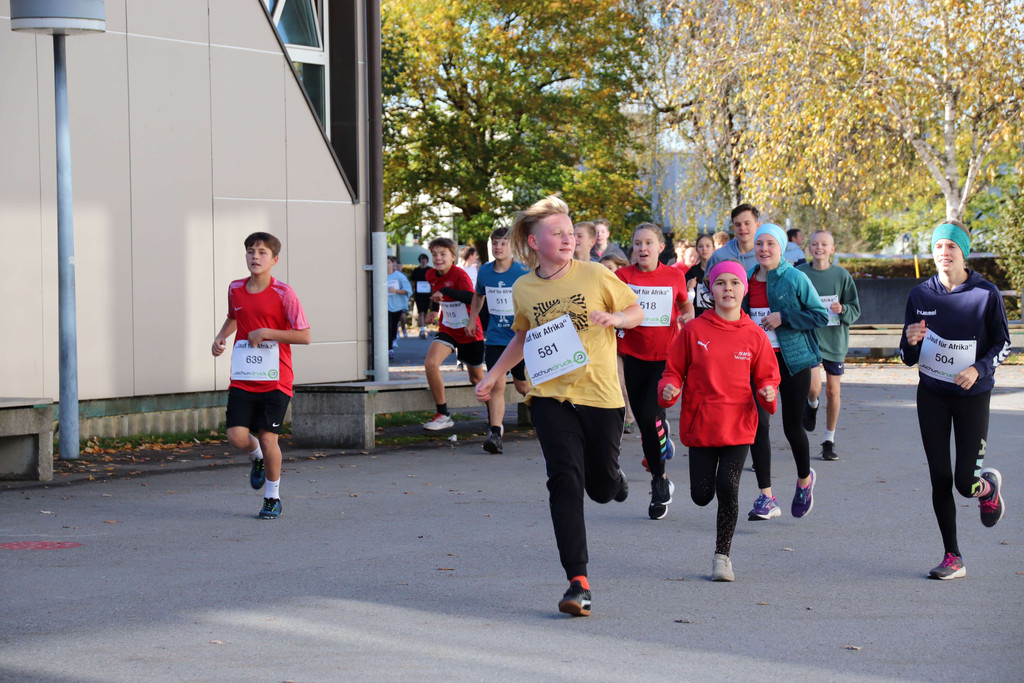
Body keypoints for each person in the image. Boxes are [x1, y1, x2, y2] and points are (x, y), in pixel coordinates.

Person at [474, 196, 642, 617]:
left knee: (600, 489)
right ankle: (578, 583)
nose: (569, 239)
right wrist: (494, 375)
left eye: (571, 233)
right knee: (564, 480)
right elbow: (522, 337)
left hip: (600, 395)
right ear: (534, 242)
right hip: (550, 396)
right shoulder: (524, 287)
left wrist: (618, 320)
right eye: (558, 233)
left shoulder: (595, 274)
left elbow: (635, 310)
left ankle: (614, 479)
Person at [900, 220, 1008, 580]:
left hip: (971, 396)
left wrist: (978, 369)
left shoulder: (985, 294)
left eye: (951, 246)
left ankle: (986, 488)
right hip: (931, 395)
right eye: (938, 247)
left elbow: (1003, 344)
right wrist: (910, 341)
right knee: (940, 477)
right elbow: (907, 357)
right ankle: (953, 556)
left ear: (964, 253)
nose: (943, 253)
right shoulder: (920, 296)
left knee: (965, 482)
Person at [659, 260, 779, 581]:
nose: (728, 288)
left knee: (728, 486)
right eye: (721, 283)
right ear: (710, 289)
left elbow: (768, 376)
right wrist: (670, 388)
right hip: (702, 424)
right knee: (701, 495)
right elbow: (673, 371)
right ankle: (706, 502)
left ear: (744, 289)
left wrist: (767, 391)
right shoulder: (694, 330)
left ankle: (722, 557)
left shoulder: (755, 334)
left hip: (739, 424)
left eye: (735, 283)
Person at [211, 232, 311, 520]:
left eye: (262, 252)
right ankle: (257, 457)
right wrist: (220, 337)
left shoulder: (284, 293)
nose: (255, 257)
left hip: (276, 378)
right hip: (244, 375)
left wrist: (267, 333)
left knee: (269, 439)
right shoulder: (235, 288)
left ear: (274, 259)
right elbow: (234, 316)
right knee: (236, 436)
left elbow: (304, 335)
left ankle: (272, 497)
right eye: (250, 251)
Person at [743, 223, 829, 521]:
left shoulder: (795, 277)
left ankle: (804, 480)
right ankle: (766, 496)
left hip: (793, 360)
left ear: (781, 248)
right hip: (758, 363)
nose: (764, 249)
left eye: (771, 244)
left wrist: (784, 317)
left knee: (793, 426)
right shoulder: (747, 279)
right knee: (758, 425)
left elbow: (820, 315)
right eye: (759, 244)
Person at [615, 223, 694, 519]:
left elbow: (686, 306)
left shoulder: (674, 275)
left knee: (650, 416)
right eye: (637, 243)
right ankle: (660, 462)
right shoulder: (623, 276)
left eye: (648, 243)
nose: (642, 248)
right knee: (645, 423)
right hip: (634, 357)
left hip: (666, 358)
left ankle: (659, 481)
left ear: (660, 247)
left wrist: (687, 317)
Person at [797, 230, 861, 460]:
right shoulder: (800, 273)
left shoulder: (842, 275)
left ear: (832, 249)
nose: (819, 248)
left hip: (835, 340)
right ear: (809, 248)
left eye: (824, 244)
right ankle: (811, 404)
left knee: (833, 391)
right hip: (809, 339)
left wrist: (842, 309)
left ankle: (829, 440)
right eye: (815, 244)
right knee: (813, 387)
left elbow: (855, 309)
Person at [467, 227, 530, 453]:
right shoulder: (485, 271)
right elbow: (478, 295)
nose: (498, 247)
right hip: (495, 337)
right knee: (496, 384)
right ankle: (495, 433)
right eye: (494, 243)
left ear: (512, 246)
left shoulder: (522, 271)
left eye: (503, 243)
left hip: (520, 338)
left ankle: (549, 417)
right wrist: (472, 320)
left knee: (523, 385)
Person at [422, 238, 485, 431]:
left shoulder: (460, 274)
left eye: (443, 254)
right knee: (431, 363)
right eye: (434, 254)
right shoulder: (430, 274)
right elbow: (438, 296)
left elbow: (472, 297)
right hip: (448, 328)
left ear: (452, 257)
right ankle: (443, 414)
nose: (438, 258)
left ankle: (495, 417)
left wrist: (445, 290)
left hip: (469, 330)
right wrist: (434, 310)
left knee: (476, 379)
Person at [599, 253, 636, 433]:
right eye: (603, 269)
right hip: (612, 346)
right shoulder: (598, 291)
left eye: (610, 268)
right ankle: (627, 418)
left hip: (632, 345)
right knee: (619, 382)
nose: (607, 272)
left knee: (633, 384)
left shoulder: (629, 290)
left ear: (620, 269)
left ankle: (638, 414)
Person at [706, 203, 762, 272]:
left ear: (758, 225)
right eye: (738, 224)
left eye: (747, 223)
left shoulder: (766, 255)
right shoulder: (719, 256)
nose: (742, 228)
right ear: (734, 227)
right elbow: (709, 278)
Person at [386, 256, 412, 361]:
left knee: (393, 327)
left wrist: (396, 291)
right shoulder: (379, 275)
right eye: (384, 263)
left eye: (388, 263)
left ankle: (391, 345)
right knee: (387, 328)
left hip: (397, 306)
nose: (386, 265)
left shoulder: (399, 276)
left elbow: (408, 291)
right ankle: (389, 349)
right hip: (384, 306)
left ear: (393, 264)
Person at [685, 233, 716, 317]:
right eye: (700, 246)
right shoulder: (692, 271)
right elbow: (682, 295)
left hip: (717, 315)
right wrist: (688, 288)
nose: (704, 249)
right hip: (698, 316)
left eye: (707, 246)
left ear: (713, 248)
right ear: (697, 249)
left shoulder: (719, 270)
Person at [410, 253, 434, 339]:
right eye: (422, 259)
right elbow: (412, 282)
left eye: (425, 259)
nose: (423, 261)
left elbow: (434, 281)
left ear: (427, 261)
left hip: (427, 294)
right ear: (420, 261)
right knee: (421, 312)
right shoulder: (416, 270)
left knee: (425, 312)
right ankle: (422, 330)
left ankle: (423, 328)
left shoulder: (430, 270)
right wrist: (410, 291)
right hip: (418, 294)